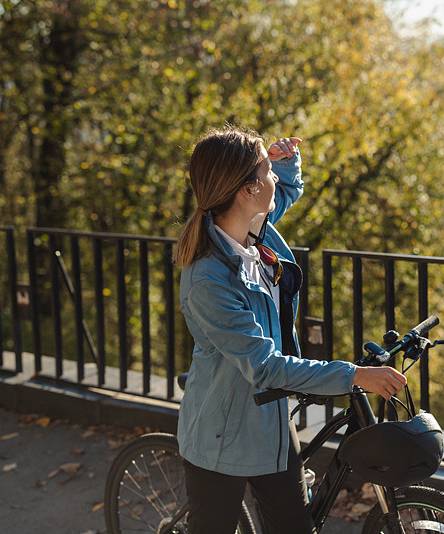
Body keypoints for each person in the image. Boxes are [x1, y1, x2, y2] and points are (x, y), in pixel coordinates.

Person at [172, 125, 406, 534]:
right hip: (219, 438)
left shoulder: (249, 229)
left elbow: (283, 193)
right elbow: (264, 367)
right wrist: (353, 375)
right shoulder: (207, 279)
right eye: (266, 170)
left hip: (271, 428)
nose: (273, 178)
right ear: (245, 190)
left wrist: (285, 160)